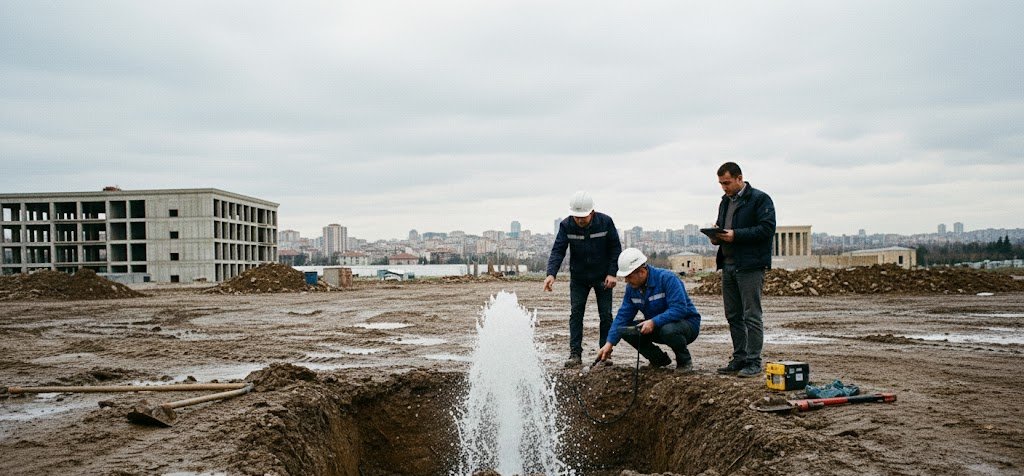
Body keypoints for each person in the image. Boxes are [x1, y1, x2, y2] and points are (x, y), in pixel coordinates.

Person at [709, 162, 776, 378]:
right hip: (728, 264)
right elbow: (723, 227)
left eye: (727, 183)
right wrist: (716, 236)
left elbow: (766, 229)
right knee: (733, 315)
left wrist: (735, 235)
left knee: (751, 315)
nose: (724, 187)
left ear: (739, 178)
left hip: (750, 266)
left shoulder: (759, 199)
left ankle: (754, 361)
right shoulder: (724, 202)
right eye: (721, 184)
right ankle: (740, 358)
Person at [544, 190, 622, 368]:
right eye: (576, 216)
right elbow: (558, 250)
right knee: (576, 314)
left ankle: (605, 354)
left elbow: (615, 249)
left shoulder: (605, 222)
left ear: (592, 213)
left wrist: (612, 273)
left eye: (583, 217)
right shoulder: (566, 225)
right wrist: (551, 274)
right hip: (578, 278)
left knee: (606, 315)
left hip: (603, 277)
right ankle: (575, 354)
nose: (579, 220)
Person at [597, 248, 701, 372]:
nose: (626, 281)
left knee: (669, 330)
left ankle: (684, 361)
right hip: (659, 325)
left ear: (641, 271)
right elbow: (622, 317)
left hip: (686, 325)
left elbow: (679, 309)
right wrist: (609, 343)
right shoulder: (632, 289)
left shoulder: (667, 279)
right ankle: (658, 359)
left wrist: (653, 322)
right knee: (626, 330)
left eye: (629, 277)